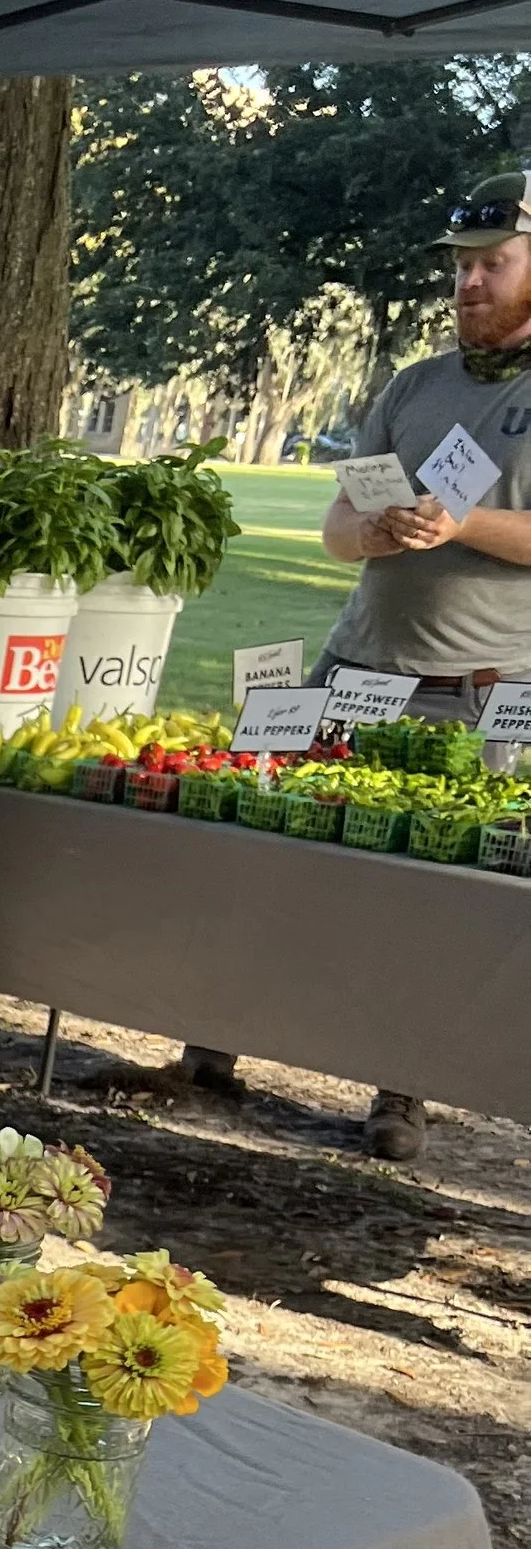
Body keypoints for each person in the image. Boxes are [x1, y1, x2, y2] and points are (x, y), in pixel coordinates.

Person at [187, 164, 531, 1160]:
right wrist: (376, 531)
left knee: (434, 899)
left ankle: (400, 1091)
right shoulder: (412, 386)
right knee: (264, 839)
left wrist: (463, 521)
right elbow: (339, 532)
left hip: (478, 699)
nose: (467, 282)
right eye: (460, 265)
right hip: (348, 669)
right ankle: (212, 1039)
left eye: (491, 264)